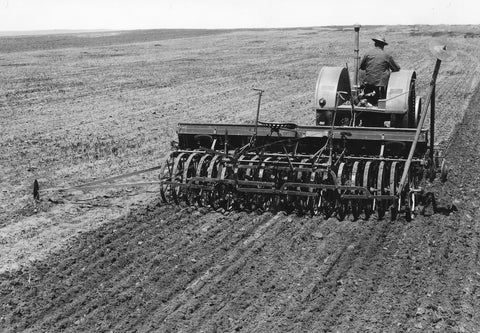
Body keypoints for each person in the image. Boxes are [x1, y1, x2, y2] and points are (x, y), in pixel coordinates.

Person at [359, 36, 400, 105]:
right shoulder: (387, 56)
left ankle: (367, 99)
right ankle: (382, 99)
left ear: (375, 44)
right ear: (383, 46)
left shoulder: (367, 54)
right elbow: (396, 68)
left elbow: (362, 67)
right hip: (381, 83)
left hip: (368, 82)